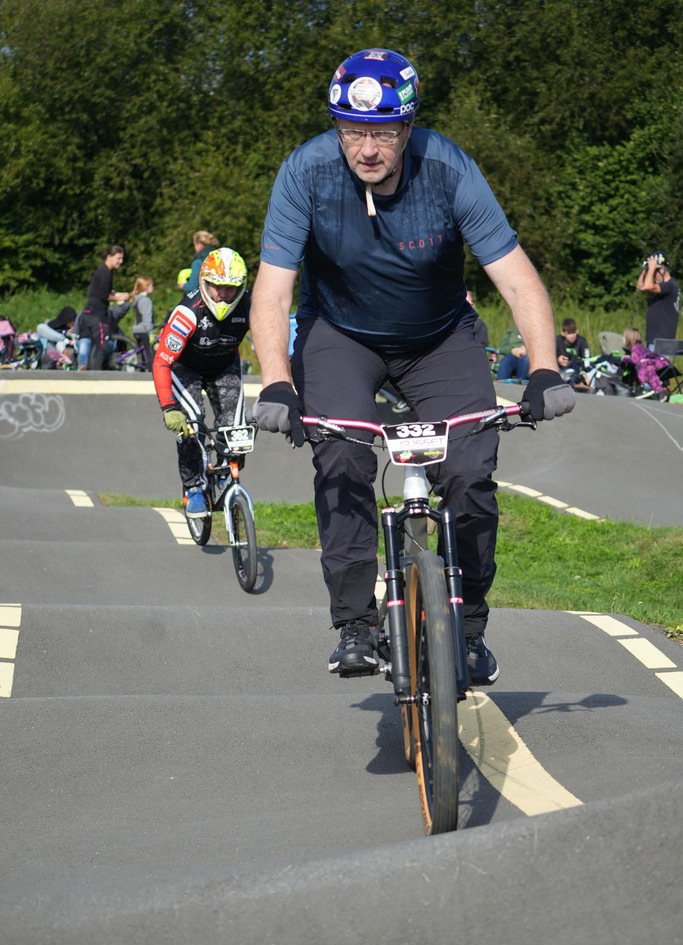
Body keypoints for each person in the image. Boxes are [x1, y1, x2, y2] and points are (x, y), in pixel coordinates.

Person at [250, 48, 575, 684]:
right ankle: (355, 625)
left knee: (472, 470)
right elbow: (272, 290)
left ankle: (470, 627)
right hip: (340, 335)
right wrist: (277, 383)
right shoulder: (306, 172)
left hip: (438, 336)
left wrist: (543, 367)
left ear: (407, 127)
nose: (366, 149)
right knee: (342, 455)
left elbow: (515, 278)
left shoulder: (449, 168)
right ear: (336, 127)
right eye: (352, 131)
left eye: (381, 132)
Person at [153, 247, 251, 515]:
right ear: (204, 283)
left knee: (237, 429)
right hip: (185, 367)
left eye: (231, 288)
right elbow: (161, 361)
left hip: (225, 366)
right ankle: (194, 487)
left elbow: (273, 343)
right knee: (192, 423)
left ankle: (224, 472)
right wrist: (168, 407)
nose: (223, 294)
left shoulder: (250, 305)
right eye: (217, 286)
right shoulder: (187, 312)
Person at [78, 245, 129, 370]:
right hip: (96, 313)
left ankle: (92, 370)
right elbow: (103, 295)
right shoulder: (105, 272)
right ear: (109, 257)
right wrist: (120, 297)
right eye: (118, 258)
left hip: (92, 312)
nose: (121, 262)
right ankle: (96, 375)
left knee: (97, 345)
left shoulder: (106, 271)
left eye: (122, 259)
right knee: (103, 345)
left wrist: (120, 294)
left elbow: (107, 292)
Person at [636, 251, 680, 347]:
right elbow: (640, 286)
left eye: (654, 272)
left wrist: (652, 268)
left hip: (662, 341)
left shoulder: (670, 285)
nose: (652, 276)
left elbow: (647, 286)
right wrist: (645, 269)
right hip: (654, 338)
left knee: (657, 363)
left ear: (662, 269)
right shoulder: (663, 286)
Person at [622, 325, 671, 396]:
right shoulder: (641, 346)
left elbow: (636, 360)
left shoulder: (635, 348)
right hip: (661, 362)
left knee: (642, 365)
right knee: (649, 369)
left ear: (629, 338)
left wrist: (625, 358)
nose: (622, 338)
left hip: (656, 363)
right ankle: (658, 391)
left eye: (624, 337)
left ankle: (646, 387)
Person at [180, 231, 220, 295]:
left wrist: (183, 285)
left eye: (194, 243)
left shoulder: (198, 262)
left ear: (199, 243)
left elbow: (192, 288)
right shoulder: (218, 256)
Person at [131, 276, 155, 370]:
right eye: (151, 285)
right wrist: (151, 333)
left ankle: (140, 371)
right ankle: (149, 375)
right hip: (144, 330)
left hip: (136, 329)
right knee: (150, 353)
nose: (153, 287)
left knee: (141, 354)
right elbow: (147, 319)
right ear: (146, 287)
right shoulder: (146, 300)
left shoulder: (137, 299)